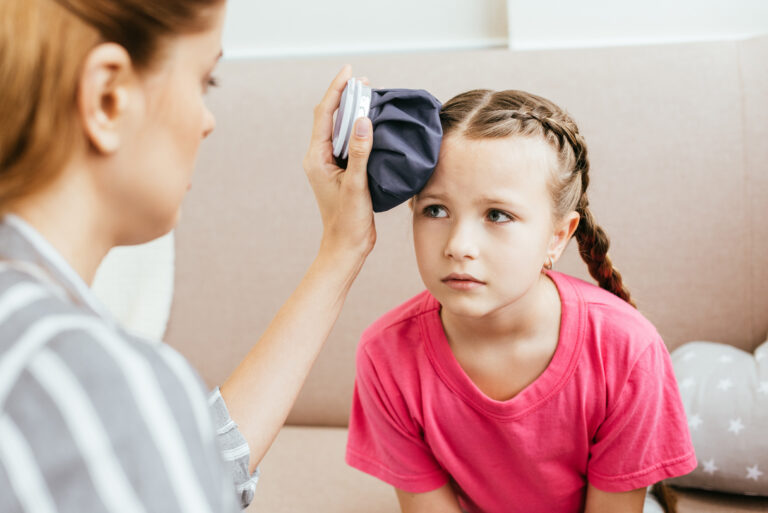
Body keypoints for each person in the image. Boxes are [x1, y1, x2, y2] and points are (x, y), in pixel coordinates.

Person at [0, 0, 375, 511]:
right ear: (108, 97)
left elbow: (187, 461)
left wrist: (342, 249)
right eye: (205, 81)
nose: (207, 121)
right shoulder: (98, 381)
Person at [345, 89, 697, 513]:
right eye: (436, 210)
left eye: (497, 215)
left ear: (557, 236)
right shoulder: (385, 356)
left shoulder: (627, 349)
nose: (459, 246)